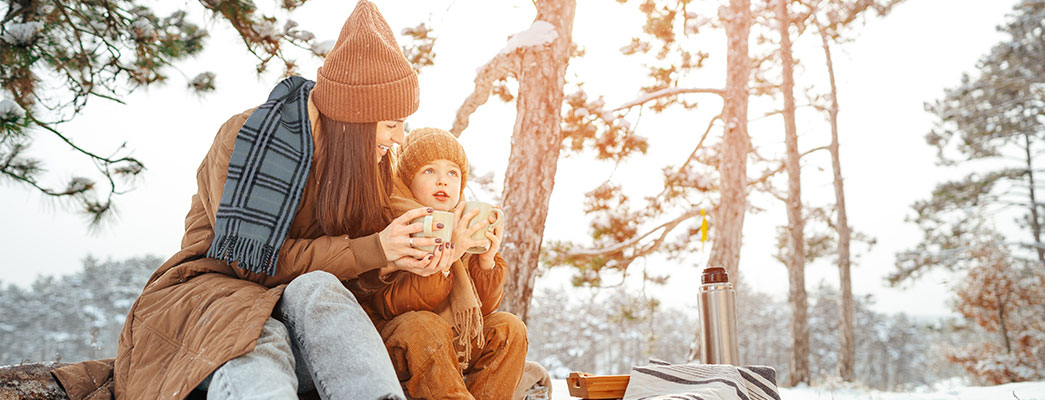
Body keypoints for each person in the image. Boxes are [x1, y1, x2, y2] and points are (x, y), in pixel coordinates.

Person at [51, 2, 459, 399]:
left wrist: (407, 257)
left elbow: (355, 268)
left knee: (318, 287)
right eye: (390, 124)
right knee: (258, 332)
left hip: (298, 317)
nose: (400, 138)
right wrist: (373, 249)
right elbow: (249, 264)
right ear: (355, 118)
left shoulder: (367, 169)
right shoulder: (249, 139)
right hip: (211, 300)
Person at [357, 127, 527, 399]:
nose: (442, 181)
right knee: (426, 325)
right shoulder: (393, 219)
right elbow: (396, 304)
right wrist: (449, 255)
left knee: (508, 327)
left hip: (450, 344)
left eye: (452, 173)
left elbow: (480, 311)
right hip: (400, 341)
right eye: (429, 171)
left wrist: (485, 261)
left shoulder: (462, 222)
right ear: (407, 178)